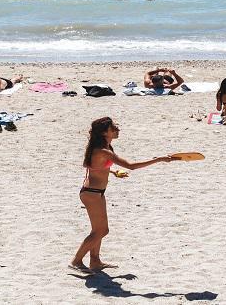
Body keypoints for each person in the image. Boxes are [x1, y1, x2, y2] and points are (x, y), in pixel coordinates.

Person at [70, 117, 176, 274]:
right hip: (91, 193)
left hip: (97, 193)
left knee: (99, 229)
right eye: (113, 127)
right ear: (105, 132)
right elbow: (131, 166)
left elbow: (92, 165)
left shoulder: (105, 147)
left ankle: (95, 261)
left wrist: (112, 171)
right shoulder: (103, 150)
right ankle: (76, 261)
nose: (117, 129)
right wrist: (158, 159)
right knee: (101, 231)